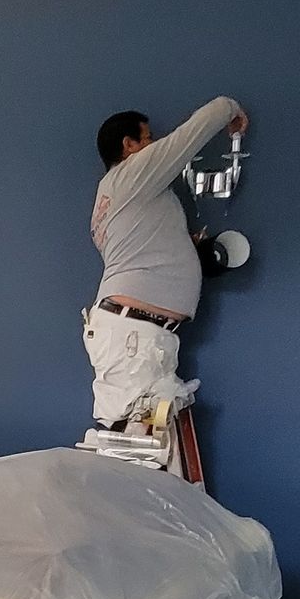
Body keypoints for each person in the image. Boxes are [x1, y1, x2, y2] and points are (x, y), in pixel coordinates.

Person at [81, 98, 248, 449]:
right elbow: (188, 137)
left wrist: (186, 249)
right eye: (148, 137)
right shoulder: (133, 174)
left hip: (139, 337)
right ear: (129, 145)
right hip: (135, 339)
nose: (154, 144)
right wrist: (228, 108)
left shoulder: (112, 195)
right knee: (135, 450)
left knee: (143, 444)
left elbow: (142, 249)